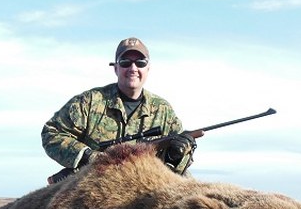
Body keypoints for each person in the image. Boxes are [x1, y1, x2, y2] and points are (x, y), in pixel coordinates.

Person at [42, 37, 198, 181]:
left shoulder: (163, 111)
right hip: (93, 185)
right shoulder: (89, 102)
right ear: (116, 68)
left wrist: (175, 156)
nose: (133, 68)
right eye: (125, 62)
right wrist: (88, 157)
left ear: (148, 68)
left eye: (140, 62)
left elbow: (178, 168)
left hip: (144, 187)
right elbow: (52, 132)